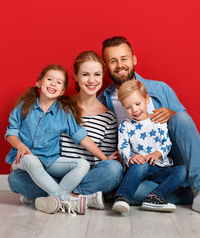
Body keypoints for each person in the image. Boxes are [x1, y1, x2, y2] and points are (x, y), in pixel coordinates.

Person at [98, 36, 200, 217]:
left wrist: (171, 115)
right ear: (106, 67)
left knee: (181, 118)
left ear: (133, 60)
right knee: (129, 193)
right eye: (113, 61)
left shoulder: (160, 89)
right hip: (135, 168)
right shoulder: (102, 100)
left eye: (124, 58)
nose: (120, 65)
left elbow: (185, 128)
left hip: (167, 163)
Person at [7, 53, 123, 210]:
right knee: (15, 178)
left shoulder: (107, 116)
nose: (91, 80)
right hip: (50, 172)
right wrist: (20, 150)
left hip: (81, 175)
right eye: (85, 74)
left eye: (97, 74)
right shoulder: (62, 105)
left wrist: (105, 158)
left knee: (114, 168)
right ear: (76, 76)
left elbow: (84, 139)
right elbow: (16, 132)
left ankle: (55, 197)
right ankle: (76, 199)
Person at [112, 80, 187, 214]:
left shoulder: (157, 121)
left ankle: (155, 196)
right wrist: (131, 156)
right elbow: (122, 146)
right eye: (128, 107)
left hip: (161, 167)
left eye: (137, 103)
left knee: (181, 171)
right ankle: (122, 197)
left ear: (147, 100)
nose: (134, 110)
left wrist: (157, 153)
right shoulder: (125, 125)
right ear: (123, 107)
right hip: (140, 169)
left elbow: (166, 143)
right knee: (141, 164)